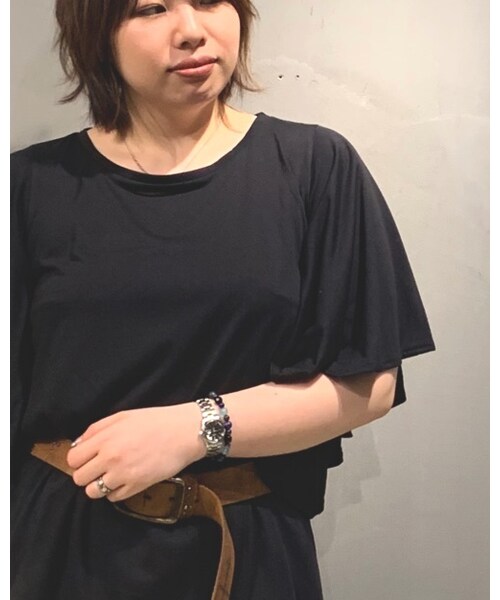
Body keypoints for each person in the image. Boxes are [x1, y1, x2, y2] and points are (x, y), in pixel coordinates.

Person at [10, 1, 436, 599]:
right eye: (151, 8)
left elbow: (368, 384)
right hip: (63, 547)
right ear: (96, 31)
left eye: (211, 1)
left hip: (245, 548)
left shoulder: (314, 167)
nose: (191, 30)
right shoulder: (27, 188)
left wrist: (194, 428)